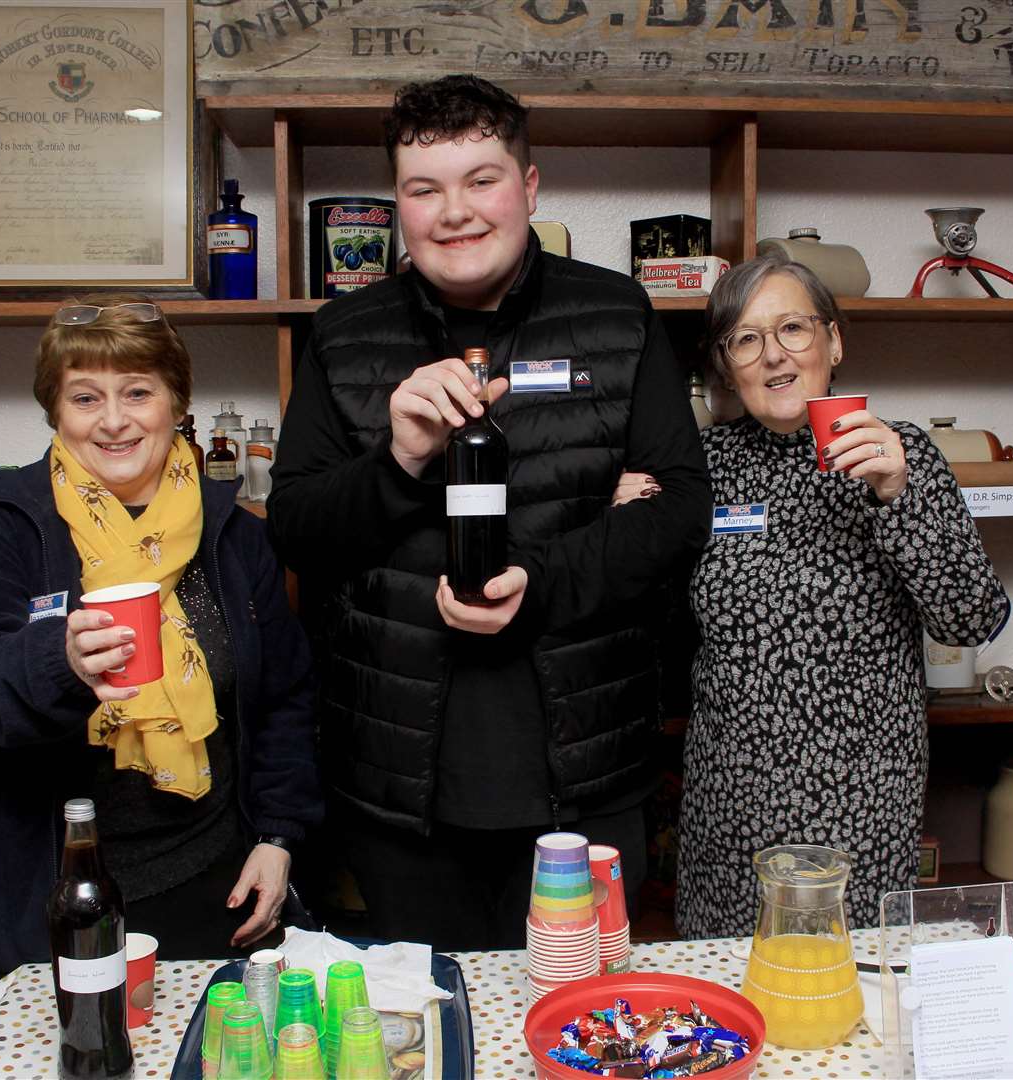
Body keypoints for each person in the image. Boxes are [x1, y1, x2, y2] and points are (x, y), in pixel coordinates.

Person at [268, 75, 710, 950]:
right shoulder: (345, 335)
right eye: (424, 189)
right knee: (429, 1029)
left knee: (581, 1020)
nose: (454, 212)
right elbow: (296, 528)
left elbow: (681, 509)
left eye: (482, 180)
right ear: (399, 203)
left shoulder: (617, 316)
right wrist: (397, 460)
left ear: (530, 187)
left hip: (589, 771)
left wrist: (538, 581)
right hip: (396, 783)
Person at [0, 296, 321, 992]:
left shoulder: (232, 533)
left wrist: (277, 838)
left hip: (210, 888)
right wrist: (59, 661)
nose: (113, 420)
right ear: (55, 410)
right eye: (85, 396)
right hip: (48, 904)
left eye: (138, 391)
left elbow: (284, 699)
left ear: (176, 402)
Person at [671, 253, 1009, 936]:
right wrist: (633, 508)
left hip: (860, 794)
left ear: (834, 341)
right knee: (734, 991)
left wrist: (898, 495)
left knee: (843, 992)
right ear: (725, 365)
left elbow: (973, 617)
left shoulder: (901, 452)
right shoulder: (704, 465)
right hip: (731, 794)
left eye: (793, 328)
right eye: (746, 338)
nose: (773, 356)